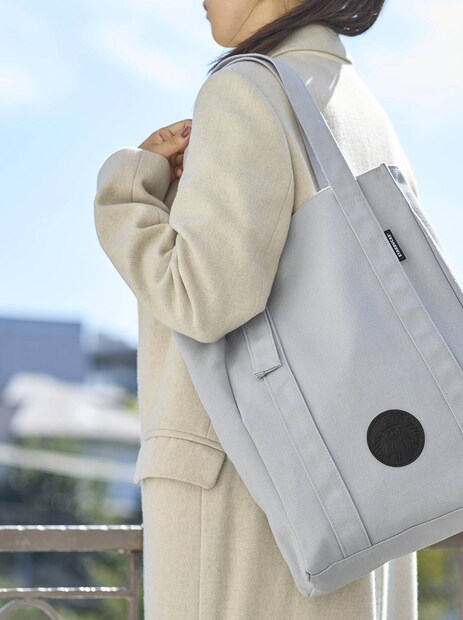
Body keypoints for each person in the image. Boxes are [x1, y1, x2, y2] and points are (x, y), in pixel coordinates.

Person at [94, 0, 420, 617]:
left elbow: (201, 298)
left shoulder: (247, 89)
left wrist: (128, 195)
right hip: (358, 484)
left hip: (248, 510)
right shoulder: (357, 103)